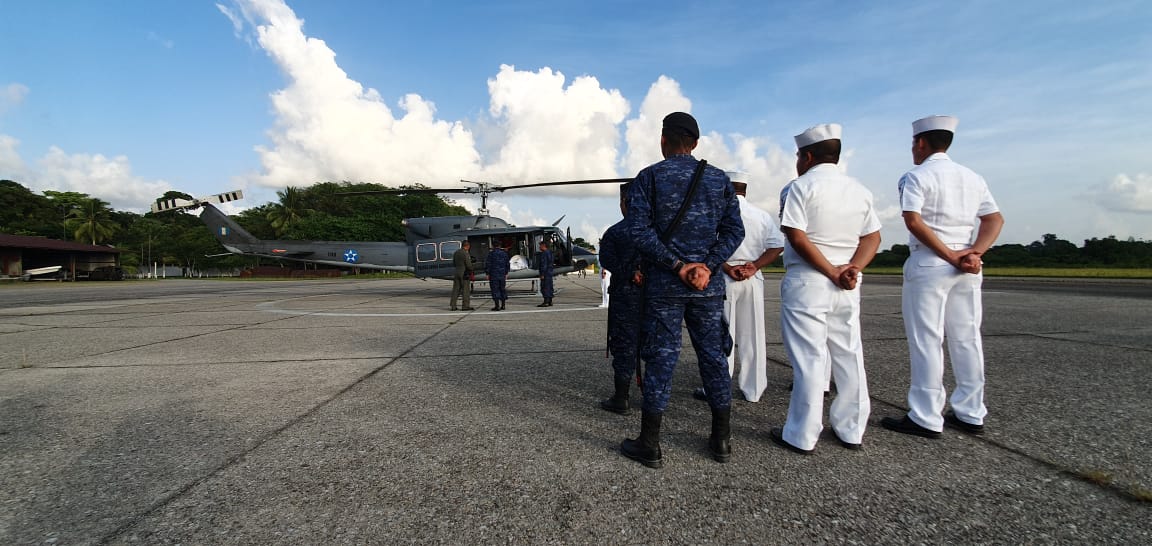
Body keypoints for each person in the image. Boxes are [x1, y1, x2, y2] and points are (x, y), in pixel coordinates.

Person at [620, 112, 744, 468]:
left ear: (663, 139)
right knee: (713, 357)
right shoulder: (719, 179)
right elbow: (735, 231)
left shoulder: (650, 177)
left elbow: (638, 232)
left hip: (664, 286)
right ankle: (721, 440)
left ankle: (651, 443)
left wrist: (678, 266)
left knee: (662, 357)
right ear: (695, 142)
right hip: (707, 287)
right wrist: (706, 265)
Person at [881, 115, 1004, 439]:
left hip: (931, 262)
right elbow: (994, 219)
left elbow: (913, 220)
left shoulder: (916, 176)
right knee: (966, 338)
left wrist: (949, 255)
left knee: (927, 340)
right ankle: (970, 410)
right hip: (967, 264)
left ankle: (925, 414)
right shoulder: (972, 177)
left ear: (920, 143)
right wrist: (974, 252)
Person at [771, 123, 881, 454]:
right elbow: (872, 236)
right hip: (847, 283)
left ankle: (802, 434)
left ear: (806, 156)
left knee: (810, 359)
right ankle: (851, 429)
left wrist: (830, 270)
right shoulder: (859, 190)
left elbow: (795, 233)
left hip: (810, 280)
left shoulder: (799, 187)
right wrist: (853, 268)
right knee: (849, 353)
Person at [691, 171, 784, 403]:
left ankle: (719, 385)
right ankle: (754, 389)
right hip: (753, 279)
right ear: (745, 189)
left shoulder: (718, 213)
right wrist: (753, 266)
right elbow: (776, 246)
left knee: (722, 334)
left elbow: (706, 246)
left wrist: (726, 267)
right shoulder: (761, 215)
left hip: (726, 277)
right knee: (753, 334)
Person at [597, 182, 643, 414]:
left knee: (624, 346)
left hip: (625, 298)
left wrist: (629, 273)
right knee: (656, 347)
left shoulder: (615, 232)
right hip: (655, 298)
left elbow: (607, 260)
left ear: (624, 202)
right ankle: (653, 394)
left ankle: (621, 398)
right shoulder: (656, 230)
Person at [485, 241, 511, 311]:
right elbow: (507, 264)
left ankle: (497, 306)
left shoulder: (491, 254)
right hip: (502, 274)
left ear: (493, 246)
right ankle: (503, 305)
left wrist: (487, 273)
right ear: (500, 245)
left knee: (495, 289)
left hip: (494, 274)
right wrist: (506, 273)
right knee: (502, 289)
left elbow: (488, 264)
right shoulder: (504, 253)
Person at [450, 241, 475, 311]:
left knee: (455, 290)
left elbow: (454, 263)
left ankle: (453, 305)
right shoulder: (465, 253)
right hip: (464, 273)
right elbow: (468, 265)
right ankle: (465, 306)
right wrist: (472, 268)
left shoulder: (456, 253)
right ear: (467, 246)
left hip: (457, 272)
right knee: (465, 290)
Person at [536, 241, 554, 307]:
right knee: (550, 287)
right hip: (549, 272)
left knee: (544, 287)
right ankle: (550, 301)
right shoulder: (550, 252)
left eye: (540, 245)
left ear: (543, 245)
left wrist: (542, 274)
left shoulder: (544, 254)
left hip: (545, 273)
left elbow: (544, 265)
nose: (539, 247)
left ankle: (546, 302)